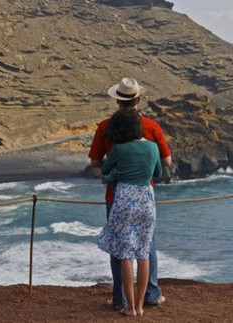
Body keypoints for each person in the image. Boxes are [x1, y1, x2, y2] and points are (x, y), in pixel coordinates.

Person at [89, 77, 171, 310]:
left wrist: (115, 169)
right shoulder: (151, 127)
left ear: (117, 101)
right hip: (145, 195)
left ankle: (121, 299)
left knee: (119, 247)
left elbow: (96, 163)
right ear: (139, 99)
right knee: (147, 247)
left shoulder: (106, 127)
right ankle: (151, 295)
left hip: (116, 197)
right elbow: (165, 162)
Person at [97, 108, 163, 316]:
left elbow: (106, 170)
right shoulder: (152, 147)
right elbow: (158, 172)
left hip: (124, 199)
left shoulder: (119, 149)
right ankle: (142, 306)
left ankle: (130, 307)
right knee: (143, 253)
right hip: (146, 200)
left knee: (125, 254)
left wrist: (117, 173)